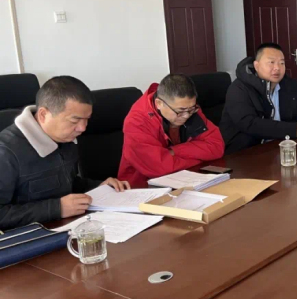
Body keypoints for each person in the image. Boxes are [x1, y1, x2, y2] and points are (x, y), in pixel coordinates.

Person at [0, 76, 129, 230]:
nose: (83, 128)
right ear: (43, 115)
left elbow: (68, 183)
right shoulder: (5, 152)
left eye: (86, 119)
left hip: (67, 226)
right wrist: (56, 208)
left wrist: (99, 186)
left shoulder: (65, 139)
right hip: (28, 238)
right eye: (74, 121)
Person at [118, 74, 225, 187]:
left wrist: (174, 151)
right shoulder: (137, 122)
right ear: (159, 104)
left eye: (191, 109)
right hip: (142, 188)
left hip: (185, 178)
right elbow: (160, 168)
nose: (186, 116)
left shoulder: (189, 108)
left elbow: (217, 146)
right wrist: (200, 158)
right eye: (180, 111)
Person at [220, 43, 297, 154]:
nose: (277, 68)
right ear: (256, 66)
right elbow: (249, 124)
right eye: (271, 62)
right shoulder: (239, 88)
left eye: (282, 63)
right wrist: (295, 130)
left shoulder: (285, 87)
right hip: (243, 153)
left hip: (276, 149)